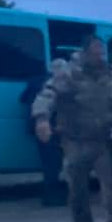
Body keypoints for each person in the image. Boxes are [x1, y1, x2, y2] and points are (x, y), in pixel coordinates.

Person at [32, 36, 112, 222]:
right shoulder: (69, 74)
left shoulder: (108, 73)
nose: (100, 56)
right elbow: (47, 94)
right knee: (78, 187)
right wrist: (42, 119)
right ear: (85, 52)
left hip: (101, 140)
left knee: (111, 186)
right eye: (96, 52)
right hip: (75, 141)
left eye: (102, 52)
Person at [20, 61, 66, 207]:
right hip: (49, 129)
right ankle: (51, 197)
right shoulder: (50, 85)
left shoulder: (34, 82)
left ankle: (51, 194)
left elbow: (22, 99)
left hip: (36, 127)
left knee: (48, 162)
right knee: (53, 163)